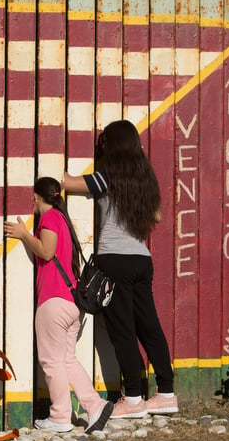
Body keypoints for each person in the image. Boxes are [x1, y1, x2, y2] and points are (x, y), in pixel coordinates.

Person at [63, 119, 178, 418]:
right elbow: (158, 215)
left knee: (123, 332)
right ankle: (166, 394)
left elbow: (70, 183)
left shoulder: (107, 177)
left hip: (114, 260)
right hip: (142, 259)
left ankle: (135, 400)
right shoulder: (145, 179)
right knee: (149, 327)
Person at [3, 176, 114, 433]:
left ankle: (60, 416)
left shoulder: (50, 218)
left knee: (51, 361)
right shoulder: (63, 220)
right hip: (71, 303)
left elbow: (46, 251)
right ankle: (95, 404)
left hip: (53, 301)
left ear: (35, 197)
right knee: (67, 359)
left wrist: (22, 235)